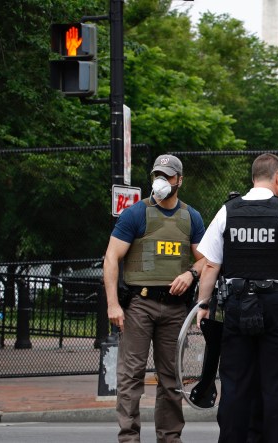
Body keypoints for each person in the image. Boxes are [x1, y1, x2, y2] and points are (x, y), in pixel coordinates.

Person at [195, 153, 278, 443]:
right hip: (277, 308)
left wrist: (203, 305)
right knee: (275, 389)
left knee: (235, 386)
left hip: (237, 306)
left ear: (253, 178)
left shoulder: (228, 210)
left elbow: (211, 265)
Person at [103, 154, 207, 443]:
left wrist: (191, 274)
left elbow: (207, 260)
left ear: (180, 180)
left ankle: (170, 439)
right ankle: (129, 438)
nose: (161, 181)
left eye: (168, 176)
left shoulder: (191, 217)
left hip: (175, 309)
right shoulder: (136, 213)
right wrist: (113, 304)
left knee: (171, 379)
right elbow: (111, 257)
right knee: (130, 377)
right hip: (140, 304)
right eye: (157, 175)